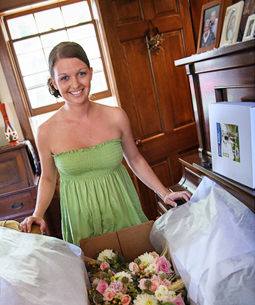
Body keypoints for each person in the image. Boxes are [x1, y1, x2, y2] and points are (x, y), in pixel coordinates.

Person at [20, 42, 190, 245]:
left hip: (124, 211)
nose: (75, 84)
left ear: (91, 73)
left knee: (144, 271)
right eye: (64, 78)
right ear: (54, 83)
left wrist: (165, 193)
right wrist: (38, 213)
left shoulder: (116, 116)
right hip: (81, 223)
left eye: (81, 73)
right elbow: (47, 179)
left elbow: (135, 159)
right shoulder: (45, 131)